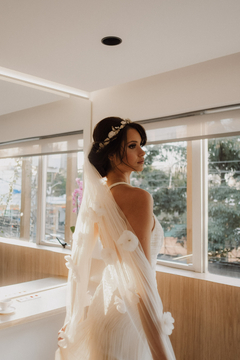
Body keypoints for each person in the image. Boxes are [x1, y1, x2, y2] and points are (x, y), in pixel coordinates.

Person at [55, 117, 176, 360]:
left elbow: (85, 263)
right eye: (132, 146)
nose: (142, 152)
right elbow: (141, 281)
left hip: (105, 311)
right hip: (127, 319)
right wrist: (161, 352)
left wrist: (75, 318)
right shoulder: (139, 198)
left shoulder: (100, 199)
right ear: (111, 155)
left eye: (141, 144)